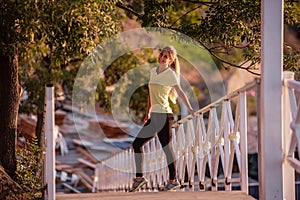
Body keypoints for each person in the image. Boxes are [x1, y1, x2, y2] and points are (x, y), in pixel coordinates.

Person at [129, 46, 196, 192]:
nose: (162, 57)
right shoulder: (153, 71)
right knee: (136, 144)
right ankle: (139, 178)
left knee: (167, 149)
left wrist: (190, 108)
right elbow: (150, 95)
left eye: (166, 56)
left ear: (171, 60)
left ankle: (173, 180)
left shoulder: (170, 74)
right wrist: (147, 113)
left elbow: (180, 92)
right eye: (162, 55)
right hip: (154, 116)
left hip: (165, 117)